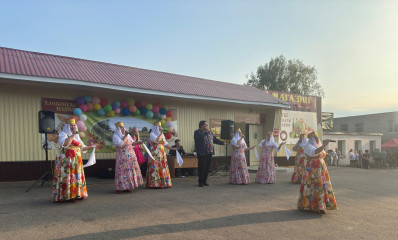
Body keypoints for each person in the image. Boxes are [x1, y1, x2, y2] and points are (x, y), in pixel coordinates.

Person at [52, 118, 95, 202]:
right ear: (67, 126)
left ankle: (77, 194)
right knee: (67, 176)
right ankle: (68, 195)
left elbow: (83, 148)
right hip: (66, 161)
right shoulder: (63, 134)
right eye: (71, 125)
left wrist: (91, 146)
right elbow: (65, 144)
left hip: (76, 161)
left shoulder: (77, 137)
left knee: (76, 177)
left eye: (74, 125)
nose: (73, 127)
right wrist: (73, 135)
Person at [298, 131, 338, 214]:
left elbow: (321, 152)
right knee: (312, 186)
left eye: (317, 138)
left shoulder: (318, 145)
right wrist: (324, 145)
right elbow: (314, 152)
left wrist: (323, 146)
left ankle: (321, 206)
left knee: (321, 186)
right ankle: (310, 205)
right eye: (315, 138)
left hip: (320, 169)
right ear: (312, 139)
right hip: (312, 170)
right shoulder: (308, 146)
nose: (317, 139)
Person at [113, 122, 144, 194]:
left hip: (130, 156)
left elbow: (132, 143)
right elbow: (122, 144)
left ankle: (127, 186)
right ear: (118, 129)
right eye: (121, 127)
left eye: (123, 127)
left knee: (128, 172)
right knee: (122, 171)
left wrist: (139, 142)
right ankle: (119, 188)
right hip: (122, 157)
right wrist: (126, 135)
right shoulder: (115, 136)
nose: (123, 128)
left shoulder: (128, 135)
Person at [194, 120, 226, 187]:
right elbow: (199, 138)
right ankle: (200, 182)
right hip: (202, 152)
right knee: (201, 167)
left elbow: (215, 140)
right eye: (205, 125)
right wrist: (206, 132)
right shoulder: (197, 132)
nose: (207, 126)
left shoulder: (210, 133)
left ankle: (205, 181)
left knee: (207, 168)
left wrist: (223, 143)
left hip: (209, 152)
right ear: (201, 125)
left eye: (207, 125)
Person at [146, 122, 176, 188]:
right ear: (156, 128)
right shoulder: (152, 134)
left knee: (162, 167)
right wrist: (161, 133)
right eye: (159, 127)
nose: (160, 128)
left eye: (160, 127)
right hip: (155, 153)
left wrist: (171, 148)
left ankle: (163, 183)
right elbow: (157, 140)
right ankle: (155, 183)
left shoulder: (161, 135)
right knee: (155, 167)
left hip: (161, 153)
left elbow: (165, 143)